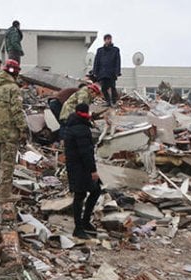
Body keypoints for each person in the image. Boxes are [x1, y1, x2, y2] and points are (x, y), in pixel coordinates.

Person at [0, 59, 27, 204]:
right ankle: (4, 195)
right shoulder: (13, 88)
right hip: (9, 133)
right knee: (7, 164)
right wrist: (23, 129)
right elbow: (17, 110)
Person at [63, 103, 100, 239]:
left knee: (94, 191)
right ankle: (79, 228)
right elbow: (86, 152)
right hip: (80, 167)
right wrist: (93, 171)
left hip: (74, 165)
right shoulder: (81, 129)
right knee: (80, 196)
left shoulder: (72, 125)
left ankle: (84, 222)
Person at [92, 34, 121, 106]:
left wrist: (117, 71)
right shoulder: (100, 50)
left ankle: (114, 102)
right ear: (104, 40)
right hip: (102, 72)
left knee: (113, 87)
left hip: (111, 72)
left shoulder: (115, 50)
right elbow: (96, 61)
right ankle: (108, 101)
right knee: (103, 88)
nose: (109, 40)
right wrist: (95, 71)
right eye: (107, 39)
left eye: (110, 39)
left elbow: (118, 61)